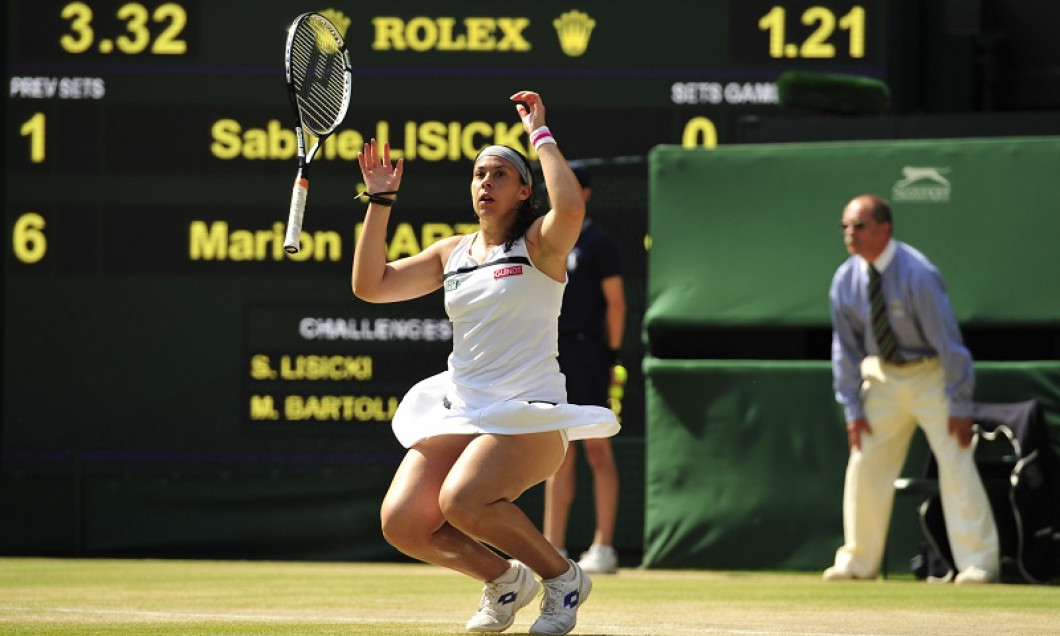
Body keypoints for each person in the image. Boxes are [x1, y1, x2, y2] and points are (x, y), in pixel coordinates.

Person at [351, 90, 620, 635]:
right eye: (478, 175)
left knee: (462, 500)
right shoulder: (451, 253)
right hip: (462, 410)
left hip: (529, 413)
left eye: (499, 175)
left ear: (524, 190)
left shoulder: (541, 245)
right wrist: (380, 202)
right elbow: (370, 286)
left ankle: (563, 579)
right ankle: (504, 580)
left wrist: (539, 134)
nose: (485, 184)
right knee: (402, 524)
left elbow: (570, 207)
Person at [823, 194, 1000, 585]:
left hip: (931, 375)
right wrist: (852, 408)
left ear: (885, 228)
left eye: (859, 226)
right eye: (845, 227)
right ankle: (858, 561)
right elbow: (845, 350)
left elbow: (949, 344)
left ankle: (979, 563)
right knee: (865, 461)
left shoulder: (918, 274)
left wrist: (958, 402)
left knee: (955, 460)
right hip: (882, 377)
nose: (850, 234)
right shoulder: (845, 279)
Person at [542, 162, 626, 574]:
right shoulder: (545, 238)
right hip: (551, 353)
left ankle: (604, 547)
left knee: (596, 447)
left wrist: (611, 357)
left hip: (589, 352)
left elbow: (617, 303)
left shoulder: (598, 242)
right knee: (555, 451)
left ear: (586, 193)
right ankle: (552, 547)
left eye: (573, 185)